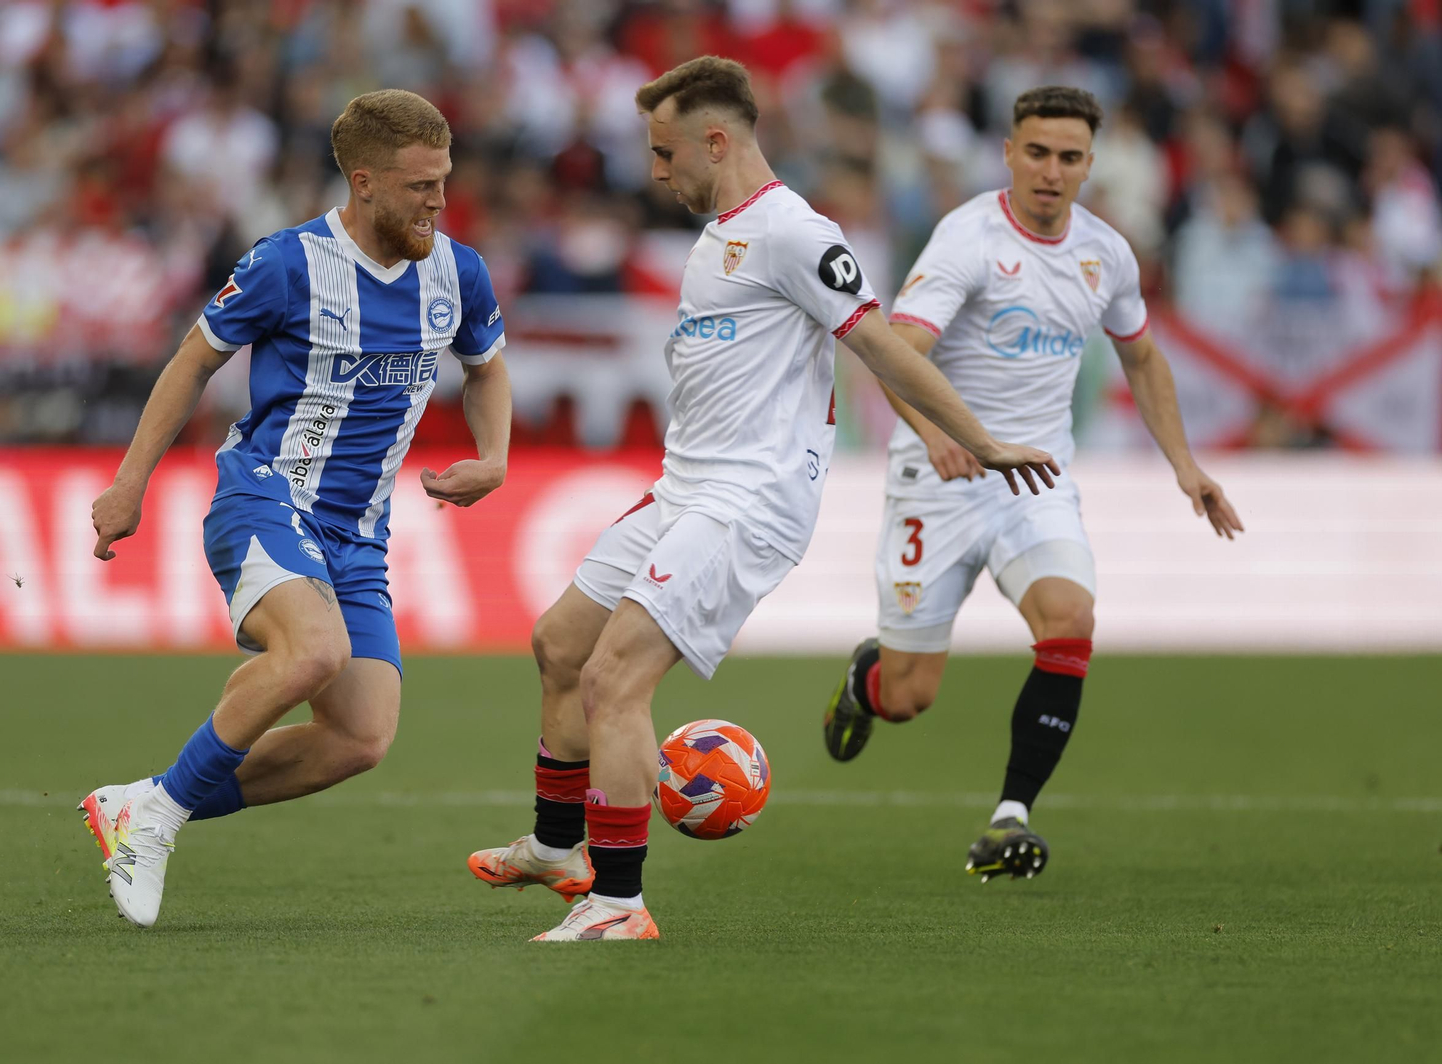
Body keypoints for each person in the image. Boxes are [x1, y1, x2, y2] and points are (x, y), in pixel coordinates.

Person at [466, 56, 1059, 942]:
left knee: (613, 680)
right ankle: (560, 848)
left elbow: (880, 342)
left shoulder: (793, 232)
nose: (657, 171)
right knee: (560, 644)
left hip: (748, 501)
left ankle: (620, 904)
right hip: (684, 485)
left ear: (717, 140)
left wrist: (972, 435)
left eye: (666, 153)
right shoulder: (719, 234)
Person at [80, 89, 511, 928]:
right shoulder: (287, 263)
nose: (439, 201)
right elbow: (191, 362)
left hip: (360, 538)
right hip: (265, 498)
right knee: (314, 652)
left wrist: (493, 457)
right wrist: (131, 481)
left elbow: (487, 366)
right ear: (365, 181)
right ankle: (157, 825)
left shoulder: (458, 272)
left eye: (444, 181)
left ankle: (144, 802)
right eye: (421, 186)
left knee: (359, 738)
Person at [821, 86, 1244, 883]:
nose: (1052, 172)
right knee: (909, 696)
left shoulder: (1106, 254)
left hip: (1034, 478)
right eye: (1038, 153)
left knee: (1070, 617)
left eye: (1070, 157)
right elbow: (894, 348)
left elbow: (1143, 357)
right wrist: (939, 434)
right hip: (937, 476)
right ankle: (866, 680)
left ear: (1090, 165)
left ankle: (1010, 817)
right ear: (1011, 153)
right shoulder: (966, 241)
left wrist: (1187, 467)